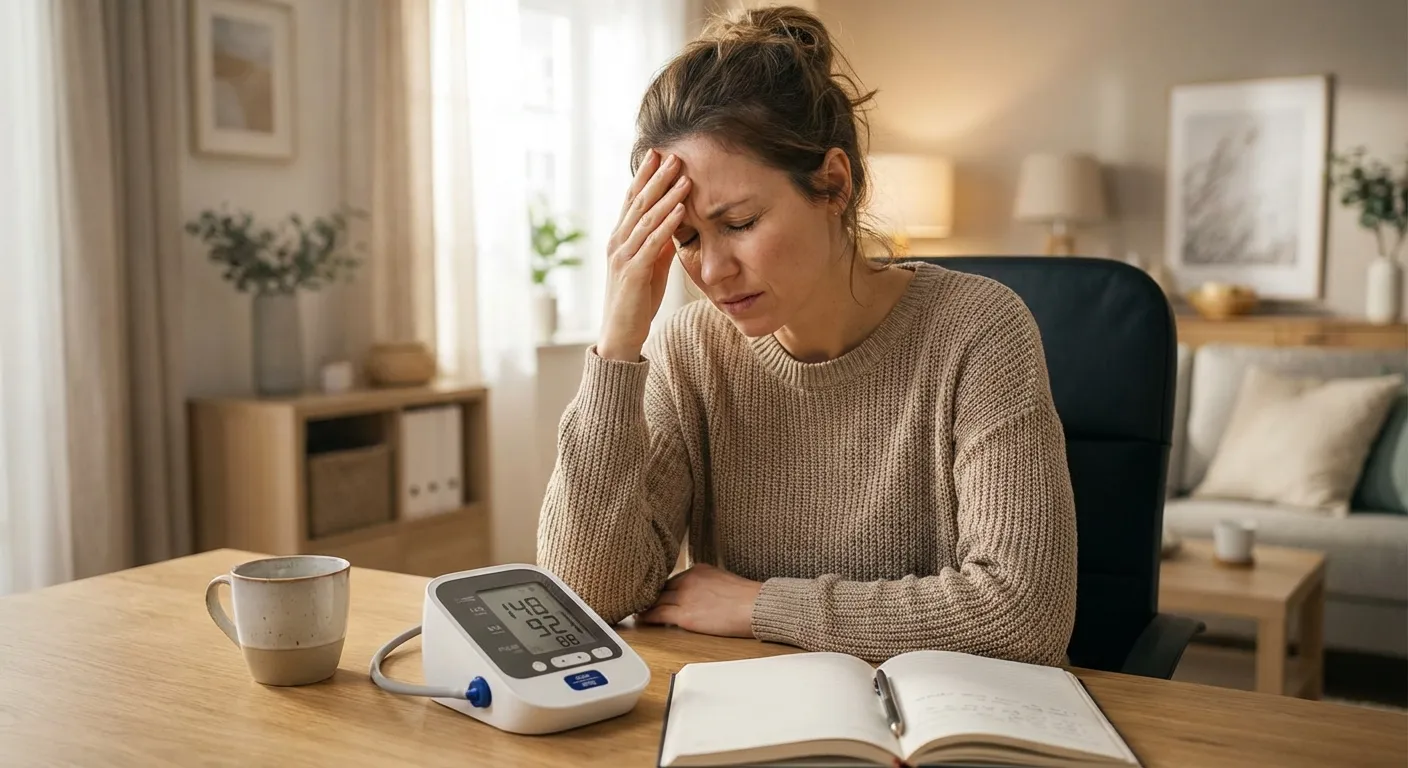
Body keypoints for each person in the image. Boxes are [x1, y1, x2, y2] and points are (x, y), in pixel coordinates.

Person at [536, 5, 1076, 665]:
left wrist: (760, 606)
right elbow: (583, 594)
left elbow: (1023, 616)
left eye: (738, 223)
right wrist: (618, 348)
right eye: (685, 238)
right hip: (759, 717)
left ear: (834, 185)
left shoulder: (978, 329)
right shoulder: (689, 352)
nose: (712, 270)